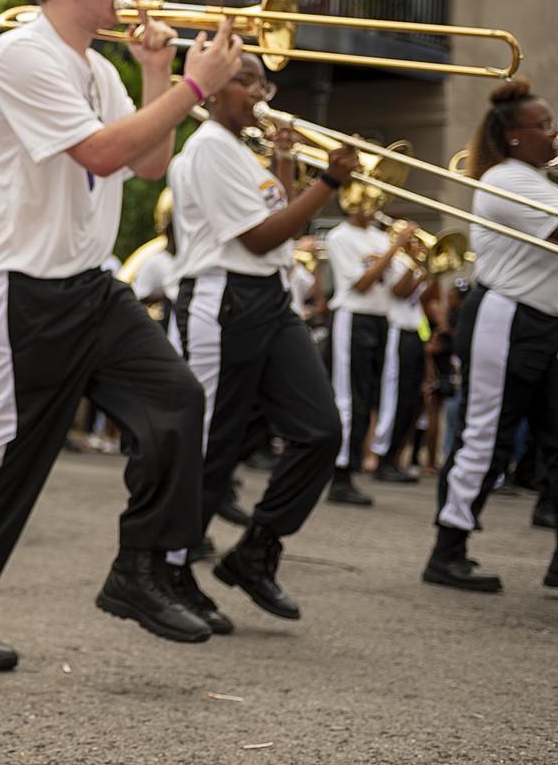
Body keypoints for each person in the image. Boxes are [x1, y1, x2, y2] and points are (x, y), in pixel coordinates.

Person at [0, 0, 243, 671]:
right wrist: (193, 88)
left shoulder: (97, 67)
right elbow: (98, 154)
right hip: (19, 289)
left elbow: (147, 162)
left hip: (90, 285)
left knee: (175, 400)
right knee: (6, 456)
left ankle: (139, 567)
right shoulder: (22, 53)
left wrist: (160, 70)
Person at [423, 78, 558, 595]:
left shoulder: (546, 186)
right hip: (509, 318)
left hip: (557, 325)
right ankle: (448, 550)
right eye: (544, 126)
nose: (555, 133)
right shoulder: (505, 179)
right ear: (514, 137)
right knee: (486, 437)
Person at [166, 54, 350, 625]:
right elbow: (256, 236)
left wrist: (288, 163)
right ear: (212, 88)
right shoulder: (209, 148)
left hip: (268, 297)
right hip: (224, 298)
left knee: (320, 430)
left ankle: (256, 551)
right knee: (210, 444)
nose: (259, 91)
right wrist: (330, 182)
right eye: (245, 80)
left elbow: (277, 214)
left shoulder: (240, 150)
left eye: (261, 81)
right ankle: (170, 572)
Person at [324, 200, 417, 506]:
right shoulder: (339, 236)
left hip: (380, 320)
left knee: (370, 399)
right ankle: (339, 473)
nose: (372, 204)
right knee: (349, 398)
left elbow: (398, 292)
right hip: (353, 317)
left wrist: (420, 266)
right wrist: (395, 249)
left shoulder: (380, 238)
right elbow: (362, 284)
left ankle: (355, 468)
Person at [370, 244, 432, 483]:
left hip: (414, 331)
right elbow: (399, 292)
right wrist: (417, 266)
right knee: (394, 397)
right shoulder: (393, 260)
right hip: (396, 332)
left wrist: (431, 271)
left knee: (411, 400)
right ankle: (383, 458)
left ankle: (395, 456)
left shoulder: (410, 263)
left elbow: (417, 299)